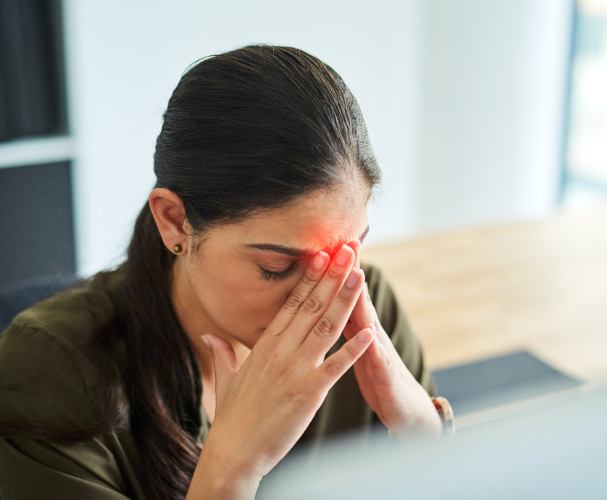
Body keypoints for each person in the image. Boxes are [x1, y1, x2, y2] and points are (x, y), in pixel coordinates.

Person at [0, 45, 449, 499]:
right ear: (174, 221)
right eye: (276, 267)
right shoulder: (50, 372)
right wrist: (233, 467)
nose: (320, 298)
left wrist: (417, 430)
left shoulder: (369, 320)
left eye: (345, 256)